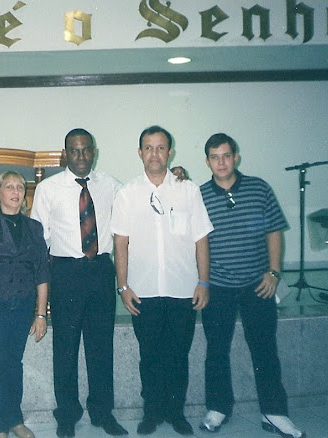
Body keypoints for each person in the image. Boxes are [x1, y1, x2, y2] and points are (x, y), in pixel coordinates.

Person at [198, 133, 305, 438]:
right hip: (217, 286)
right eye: (215, 157)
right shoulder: (200, 195)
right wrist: (203, 282)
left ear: (236, 157)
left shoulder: (259, 188)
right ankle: (218, 408)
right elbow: (198, 242)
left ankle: (274, 413)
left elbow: (274, 231)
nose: (221, 162)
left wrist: (273, 272)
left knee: (265, 350)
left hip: (257, 285)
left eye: (227, 155)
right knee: (216, 351)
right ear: (207, 161)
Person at [112, 125, 213, 436]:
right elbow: (120, 243)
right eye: (148, 147)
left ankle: (176, 412)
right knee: (150, 356)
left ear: (170, 152)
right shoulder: (127, 193)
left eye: (160, 147)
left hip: (183, 290)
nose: (154, 153)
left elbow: (201, 240)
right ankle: (152, 413)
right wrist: (123, 287)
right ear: (139, 152)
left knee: (178, 355)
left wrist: (204, 282)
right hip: (143, 291)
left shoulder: (188, 190)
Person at [31, 128, 128, 438]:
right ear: (65, 154)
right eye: (75, 151)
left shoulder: (112, 186)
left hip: (101, 270)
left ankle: (102, 412)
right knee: (66, 348)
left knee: (102, 347)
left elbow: (134, 216)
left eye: (87, 150)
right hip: (65, 274)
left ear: (94, 151)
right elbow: (38, 242)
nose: (82, 156)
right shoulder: (47, 189)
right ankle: (67, 415)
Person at [0, 170, 49, 438]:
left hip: (24, 304)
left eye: (20, 188)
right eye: (10, 187)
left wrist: (40, 314)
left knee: (15, 362)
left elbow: (41, 275)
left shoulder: (34, 228)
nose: (15, 192)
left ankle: (15, 419)